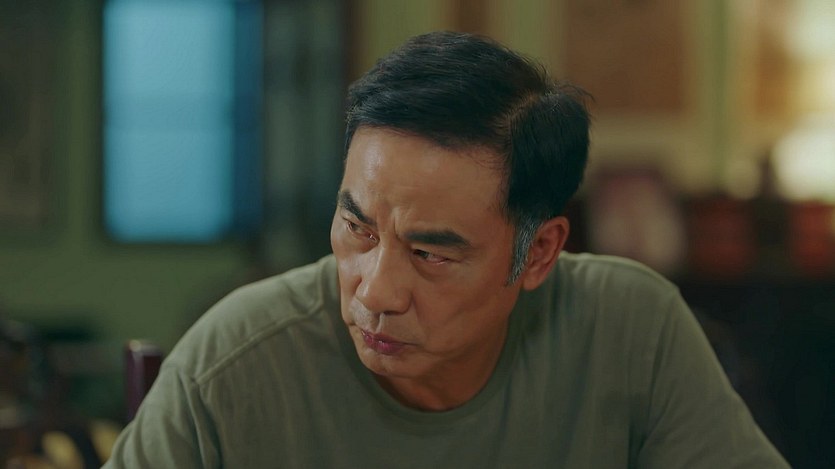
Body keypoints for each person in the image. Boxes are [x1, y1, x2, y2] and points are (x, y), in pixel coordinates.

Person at [104, 31, 788, 468]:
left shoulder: (631, 330)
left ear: (538, 254)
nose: (375, 291)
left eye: (431, 254)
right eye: (358, 228)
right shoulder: (234, 364)